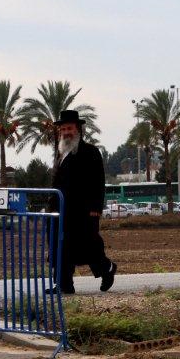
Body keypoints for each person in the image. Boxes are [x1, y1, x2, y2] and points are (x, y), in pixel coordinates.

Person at [49, 110, 116, 294]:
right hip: (61, 210)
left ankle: (107, 269)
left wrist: (96, 206)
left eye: (69, 128)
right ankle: (64, 284)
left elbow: (98, 181)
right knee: (61, 246)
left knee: (88, 246)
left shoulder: (90, 151)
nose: (65, 132)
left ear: (78, 129)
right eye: (62, 129)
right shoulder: (61, 152)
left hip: (84, 210)